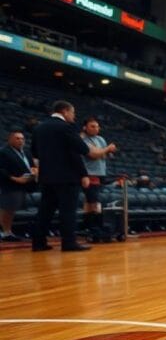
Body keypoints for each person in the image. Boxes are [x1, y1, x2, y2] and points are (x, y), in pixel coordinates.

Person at [31, 100, 115, 252]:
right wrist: (83, 173)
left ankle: (38, 243)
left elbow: (35, 152)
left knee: (45, 210)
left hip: (47, 176)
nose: (74, 116)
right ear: (65, 111)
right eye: (73, 113)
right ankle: (69, 242)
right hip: (67, 176)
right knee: (68, 211)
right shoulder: (66, 127)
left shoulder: (39, 127)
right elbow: (81, 150)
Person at [0, 130, 36, 241]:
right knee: (7, 209)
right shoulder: (4, 152)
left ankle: (8, 231)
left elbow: (32, 165)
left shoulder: (26, 152)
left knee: (12, 209)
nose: (21, 141)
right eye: (17, 138)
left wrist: (34, 170)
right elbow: (1, 170)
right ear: (10, 139)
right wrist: (15, 178)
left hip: (23, 185)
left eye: (22, 139)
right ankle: (5, 232)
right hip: (9, 185)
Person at [80, 117, 110, 237]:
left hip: (101, 172)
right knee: (93, 200)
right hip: (89, 173)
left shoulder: (101, 139)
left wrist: (102, 151)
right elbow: (93, 154)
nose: (96, 129)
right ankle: (94, 227)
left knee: (92, 200)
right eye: (92, 126)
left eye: (97, 126)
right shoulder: (83, 139)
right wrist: (106, 149)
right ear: (85, 127)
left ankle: (91, 226)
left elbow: (102, 155)